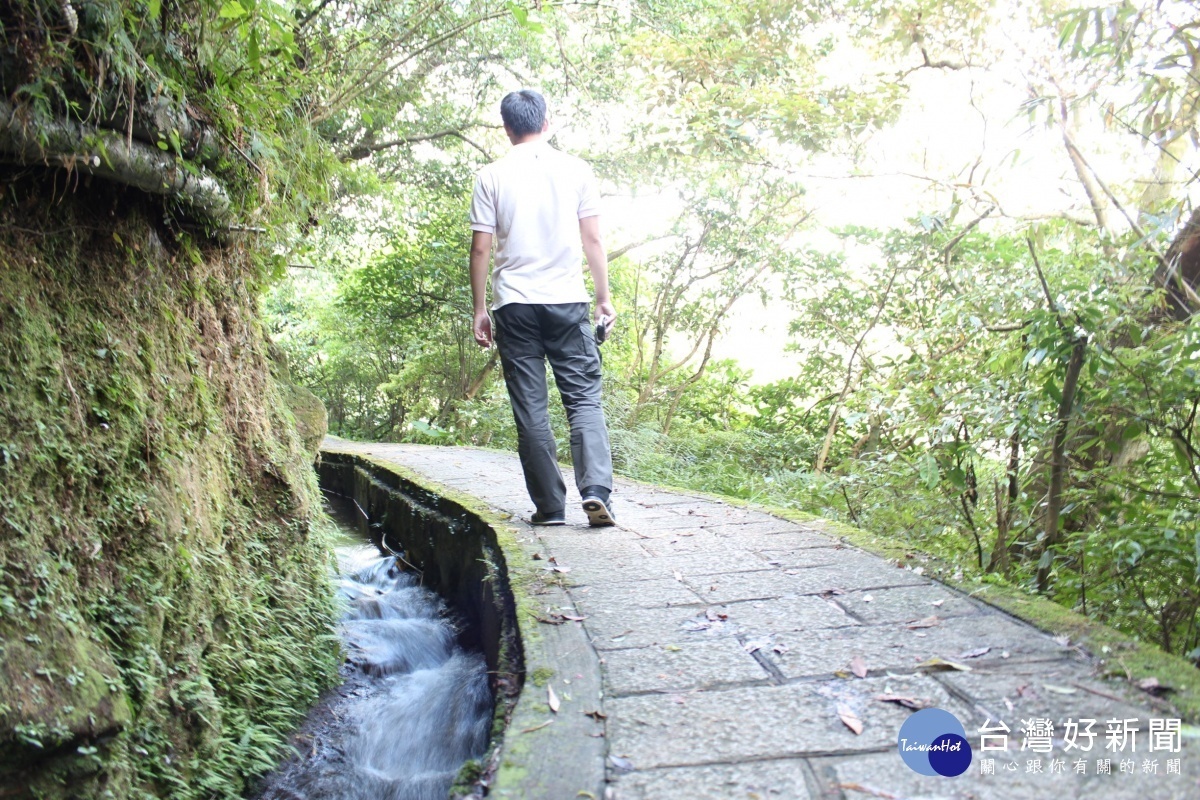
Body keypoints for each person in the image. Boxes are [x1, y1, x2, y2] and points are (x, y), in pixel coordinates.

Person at [467, 89, 617, 527]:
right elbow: (593, 239)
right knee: (584, 400)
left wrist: (479, 309)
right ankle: (595, 492)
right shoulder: (576, 170)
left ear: (507, 128)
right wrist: (603, 298)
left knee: (530, 408)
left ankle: (550, 508)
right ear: (546, 123)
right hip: (567, 300)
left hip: (514, 304)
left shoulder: (491, 175)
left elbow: (481, 249)